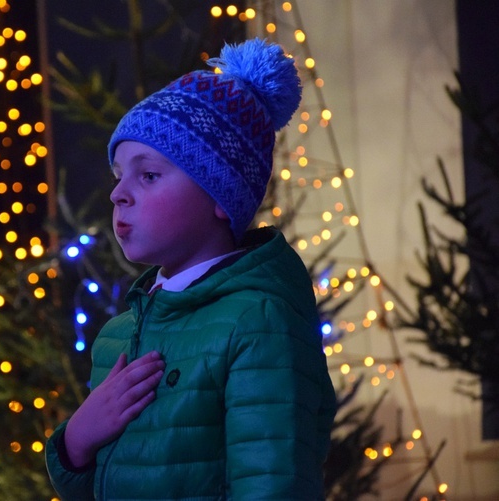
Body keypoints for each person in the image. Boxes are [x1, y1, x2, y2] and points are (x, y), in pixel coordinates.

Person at [45, 38, 337, 500]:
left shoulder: (257, 323)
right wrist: (76, 440)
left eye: (148, 175)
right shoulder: (119, 335)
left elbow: (272, 486)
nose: (118, 193)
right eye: (118, 175)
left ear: (220, 196)